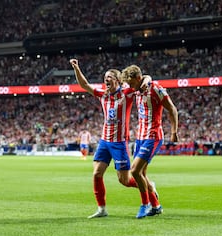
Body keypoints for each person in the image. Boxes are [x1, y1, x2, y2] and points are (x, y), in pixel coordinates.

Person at [70, 59, 152, 219]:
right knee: (96, 174)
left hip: (119, 143)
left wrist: (147, 79)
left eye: (109, 77)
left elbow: (144, 79)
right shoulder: (103, 95)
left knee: (125, 181)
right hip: (104, 142)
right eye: (104, 78)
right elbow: (84, 85)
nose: (106, 80)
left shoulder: (127, 94)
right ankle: (102, 209)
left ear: (117, 80)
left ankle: (149, 189)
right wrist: (76, 68)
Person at [121, 65, 179, 218]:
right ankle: (156, 206)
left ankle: (145, 204)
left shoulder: (155, 89)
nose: (130, 86)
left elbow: (172, 109)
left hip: (153, 136)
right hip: (140, 137)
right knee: (142, 174)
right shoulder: (138, 89)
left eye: (131, 83)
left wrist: (174, 131)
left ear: (137, 78)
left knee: (134, 171)